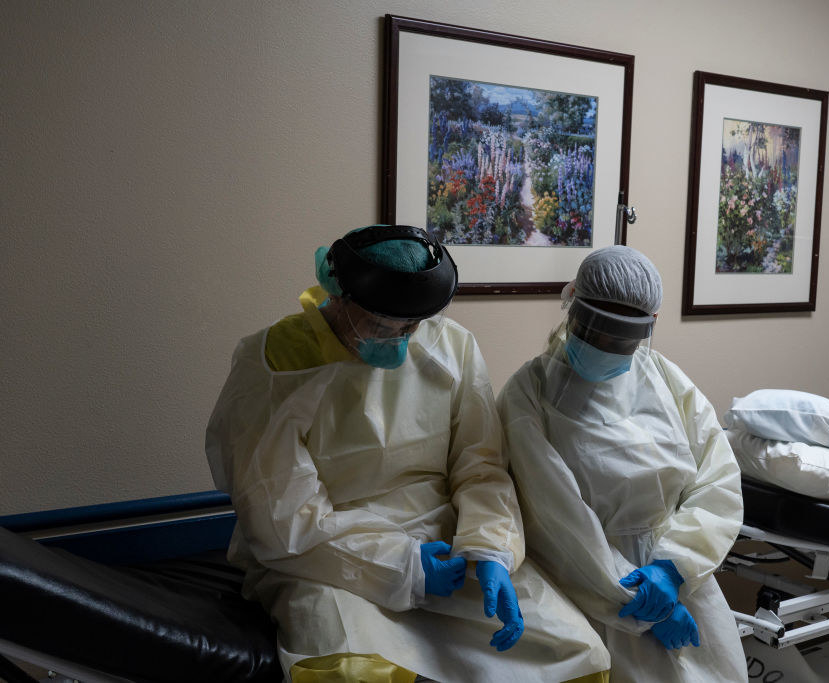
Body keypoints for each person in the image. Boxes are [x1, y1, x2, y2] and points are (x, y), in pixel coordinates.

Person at [206, 225, 610, 683]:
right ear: (338, 297)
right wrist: (402, 567)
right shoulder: (280, 363)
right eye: (383, 326)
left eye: (413, 326)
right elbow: (282, 520)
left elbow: (481, 468)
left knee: (577, 652)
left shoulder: (450, 345)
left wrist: (491, 550)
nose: (401, 339)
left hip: (445, 546)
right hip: (325, 560)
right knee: (352, 670)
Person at [496, 245, 746, 682]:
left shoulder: (664, 378)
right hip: (589, 587)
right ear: (571, 305)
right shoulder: (528, 393)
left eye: (624, 338)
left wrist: (673, 569)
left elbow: (717, 480)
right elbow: (560, 523)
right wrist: (641, 605)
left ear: (649, 328)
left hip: (680, 578)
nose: (609, 347)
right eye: (597, 331)